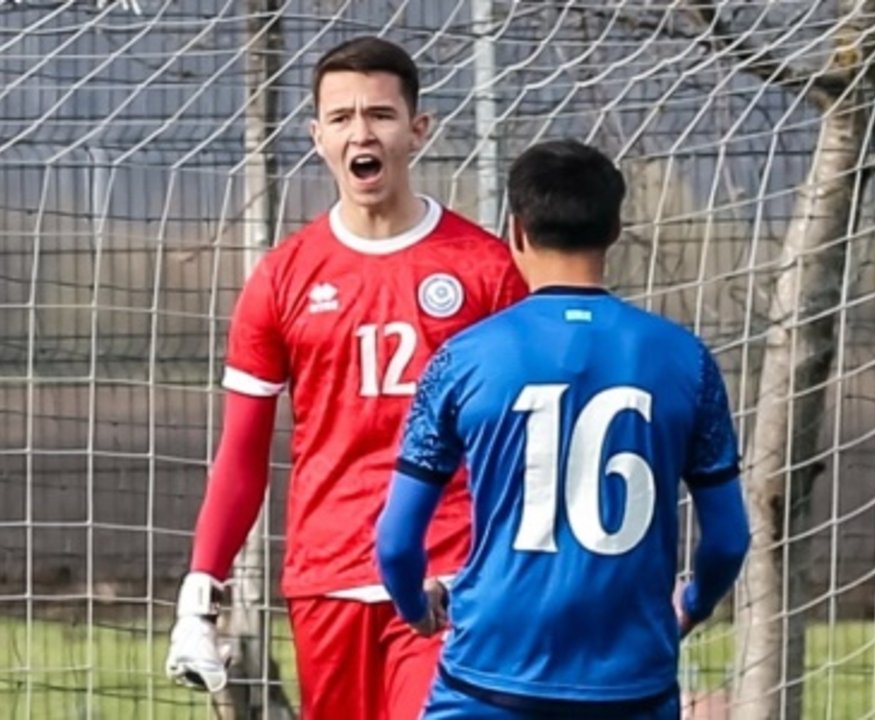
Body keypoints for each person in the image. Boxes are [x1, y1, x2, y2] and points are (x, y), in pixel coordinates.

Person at [164, 36, 528, 720]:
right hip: (328, 581)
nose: (362, 132)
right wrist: (199, 593)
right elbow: (241, 454)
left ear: (418, 129)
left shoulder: (486, 270)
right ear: (318, 137)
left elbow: (525, 446)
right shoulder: (282, 278)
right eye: (341, 117)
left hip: (450, 580)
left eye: (381, 114)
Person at [376, 139, 751, 719]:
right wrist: (693, 604)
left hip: (487, 681)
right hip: (632, 686)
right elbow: (727, 539)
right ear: (615, 230)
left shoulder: (461, 359)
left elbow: (397, 542)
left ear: (516, 230)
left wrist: (414, 607)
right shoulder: (686, 361)